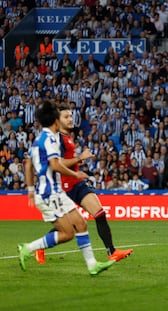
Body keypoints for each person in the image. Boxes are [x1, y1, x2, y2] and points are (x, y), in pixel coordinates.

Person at [19, 101, 115, 275]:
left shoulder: (42, 138)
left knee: (81, 223)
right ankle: (28, 247)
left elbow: (27, 165)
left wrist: (30, 190)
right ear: (56, 119)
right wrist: (76, 174)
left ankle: (92, 265)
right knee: (67, 234)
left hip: (55, 191)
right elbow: (55, 165)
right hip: (50, 193)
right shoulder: (50, 139)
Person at [34, 104, 133, 265]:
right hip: (66, 186)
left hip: (77, 182)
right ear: (57, 121)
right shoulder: (57, 138)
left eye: (71, 116)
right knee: (70, 227)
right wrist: (81, 158)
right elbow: (58, 163)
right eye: (66, 117)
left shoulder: (67, 137)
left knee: (99, 213)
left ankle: (112, 252)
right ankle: (41, 246)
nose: (70, 119)